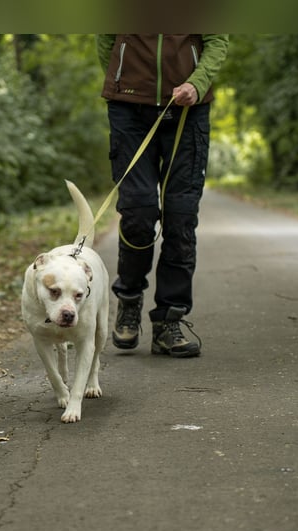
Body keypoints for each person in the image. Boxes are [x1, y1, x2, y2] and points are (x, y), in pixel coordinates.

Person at [96, 34, 229, 358]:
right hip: (129, 110)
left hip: (189, 109)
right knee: (138, 212)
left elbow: (218, 41)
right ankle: (129, 299)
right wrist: (124, 81)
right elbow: (106, 40)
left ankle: (169, 320)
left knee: (180, 218)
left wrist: (197, 83)